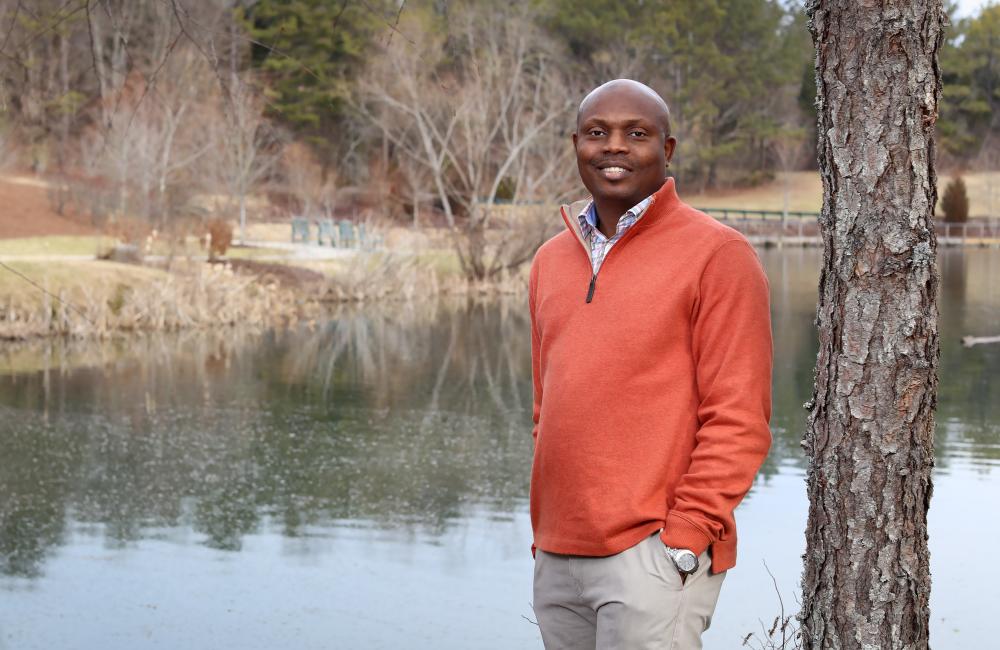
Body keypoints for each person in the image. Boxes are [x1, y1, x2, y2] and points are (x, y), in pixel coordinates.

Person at [527, 79, 773, 649]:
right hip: (559, 554)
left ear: (667, 150)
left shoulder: (718, 255)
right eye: (597, 133)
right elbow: (547, 407)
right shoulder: (548, 262)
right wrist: (546, 533)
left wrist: (687, 534)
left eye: (636, 134)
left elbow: (739, 418)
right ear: (576, 145)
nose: (614, 146)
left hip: (654, 555)